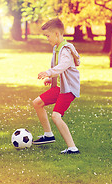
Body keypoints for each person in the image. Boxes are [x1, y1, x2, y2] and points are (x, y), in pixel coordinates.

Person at [32, 17, 81, 154]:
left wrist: (48, 73)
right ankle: (48, 135)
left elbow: (63, 66)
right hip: (60, 88)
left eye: (48, 36)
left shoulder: (65, 50)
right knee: (37, 103)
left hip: (68, 90)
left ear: (57, 34)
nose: (47, 39)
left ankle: (72, 147)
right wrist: (51, 79)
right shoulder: (57, 48)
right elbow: (59, 70)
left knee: (56, 116)